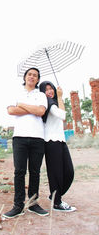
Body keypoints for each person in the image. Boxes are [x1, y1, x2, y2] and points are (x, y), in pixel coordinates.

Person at [3, 67, 49, 218]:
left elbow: (41, 112)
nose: (32, 77)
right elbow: (10, 111)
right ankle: (18, 205)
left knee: (35, 172)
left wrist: (21, 104)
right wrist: (32, 109)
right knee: (19, 171)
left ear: (37, 79)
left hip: (38, 137)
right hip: (20, 137)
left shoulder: (41, 95)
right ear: (25, 77)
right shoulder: (16, 92)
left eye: (35, 75)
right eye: (29, 74)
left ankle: (33, 204)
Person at [39, 81, 76, 212]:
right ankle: (57, 203)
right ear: (42, 93)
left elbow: (62, 115)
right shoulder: (49, 103)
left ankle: (54, 196)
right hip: (51, 142)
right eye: (46, 89)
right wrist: (60, 96)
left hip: (60, 141)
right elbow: (63, 115)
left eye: (51, 89)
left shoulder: (54, 102)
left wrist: (59, 98)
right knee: (56, 174)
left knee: (69, 172)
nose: (50, 91)